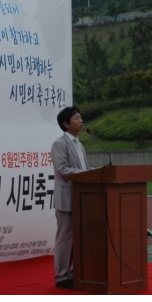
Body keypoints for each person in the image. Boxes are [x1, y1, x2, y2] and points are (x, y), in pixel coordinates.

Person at [50, 106, 90, 289]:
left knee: (78, 237)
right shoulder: (59, 144)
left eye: (81, 117)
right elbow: (63, 170)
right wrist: (87, 173)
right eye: (76, 118)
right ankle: (61, 276)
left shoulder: (80, 145)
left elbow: (84, 170)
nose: (81, 121)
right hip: (67, 197)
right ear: (66, 124)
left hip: (81, 198)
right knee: (65, 238)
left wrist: (97, 172)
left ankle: (74, 273)